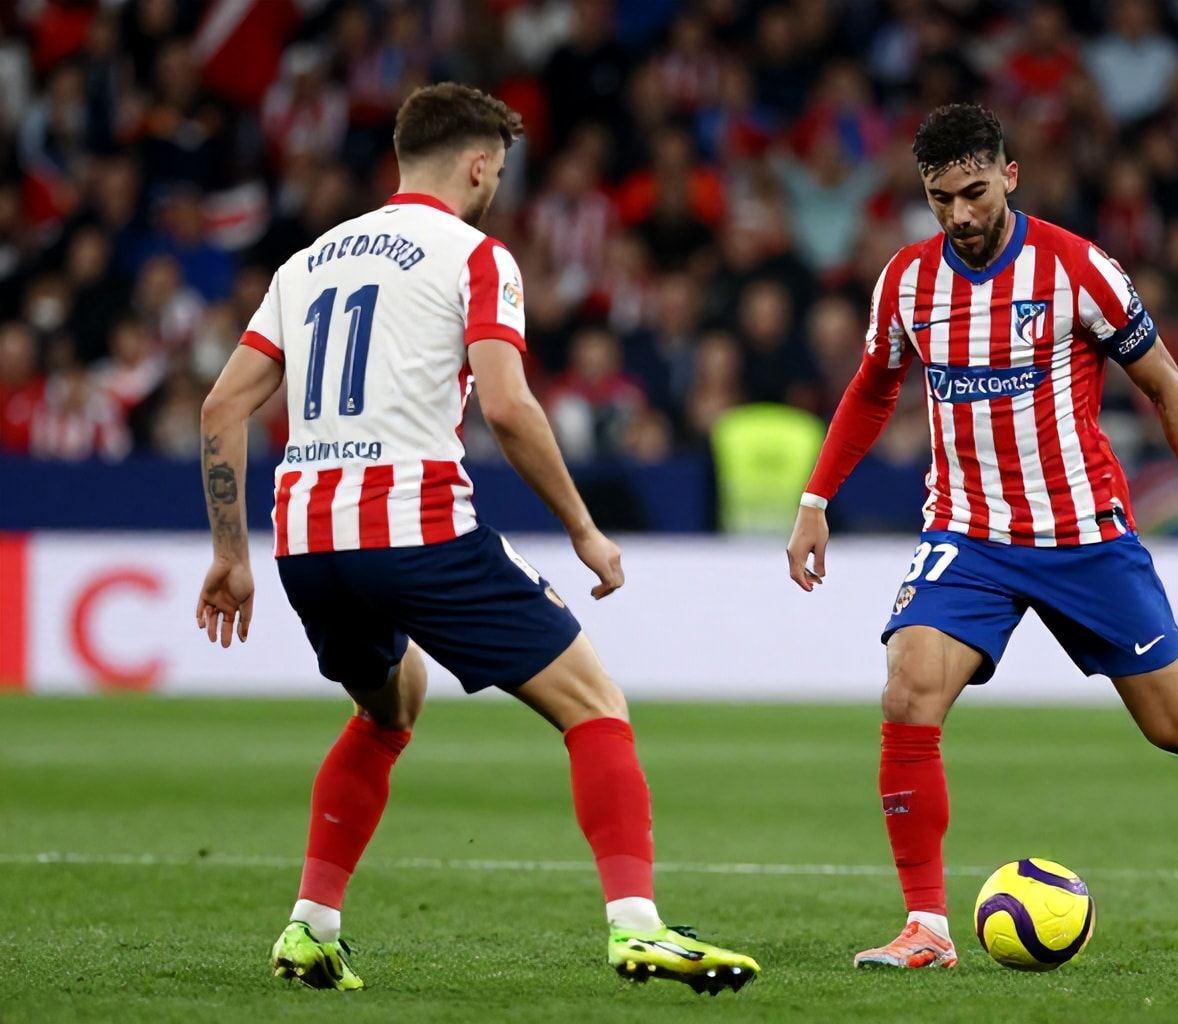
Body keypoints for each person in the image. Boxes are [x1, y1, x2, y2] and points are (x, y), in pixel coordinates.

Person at [193, 83, 758, 995]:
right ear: (479, 163)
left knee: (390, 707)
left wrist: (229, 554)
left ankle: (310, 927)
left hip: (306, 540)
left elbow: (221, 406)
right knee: (595, 704)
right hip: (414, 523)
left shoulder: (305, 265)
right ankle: (639, 928)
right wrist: (583, 528)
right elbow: (506, 404)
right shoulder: (476, 255)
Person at [784, 104, 1178, 971]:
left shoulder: (1080, 270)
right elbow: (874, 387)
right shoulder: (906, 281)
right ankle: (927, 930)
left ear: (1009, 174)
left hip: (1083, 533)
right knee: (908, 692)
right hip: (967, 533)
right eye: (941, 199)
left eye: (975, 192)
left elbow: (1166, 387)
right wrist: (815, 497)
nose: (961, 215)